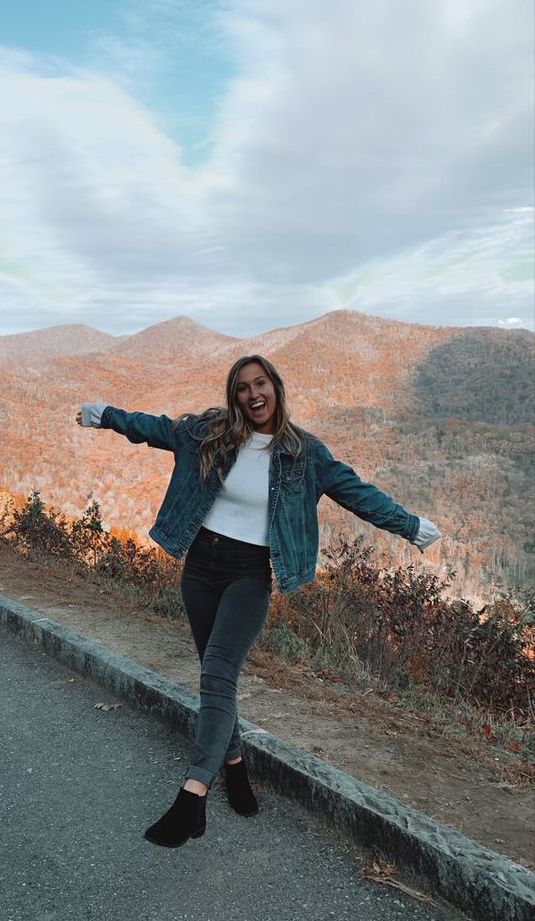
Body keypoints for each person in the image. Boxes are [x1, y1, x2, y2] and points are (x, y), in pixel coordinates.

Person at [76, 354, 441, 849]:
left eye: (261, 383)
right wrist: (106, 416)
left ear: (275, 387)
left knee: (219, 673)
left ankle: (192, 796)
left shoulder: (304, 453)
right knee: (213, 673)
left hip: (249, 574)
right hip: (200, 565)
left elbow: (357, 492)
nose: (253, 394)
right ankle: (235, 767)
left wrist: (409, 525)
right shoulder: (209, 434)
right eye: (244, 387)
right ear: (235, 394)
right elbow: (155, 428)